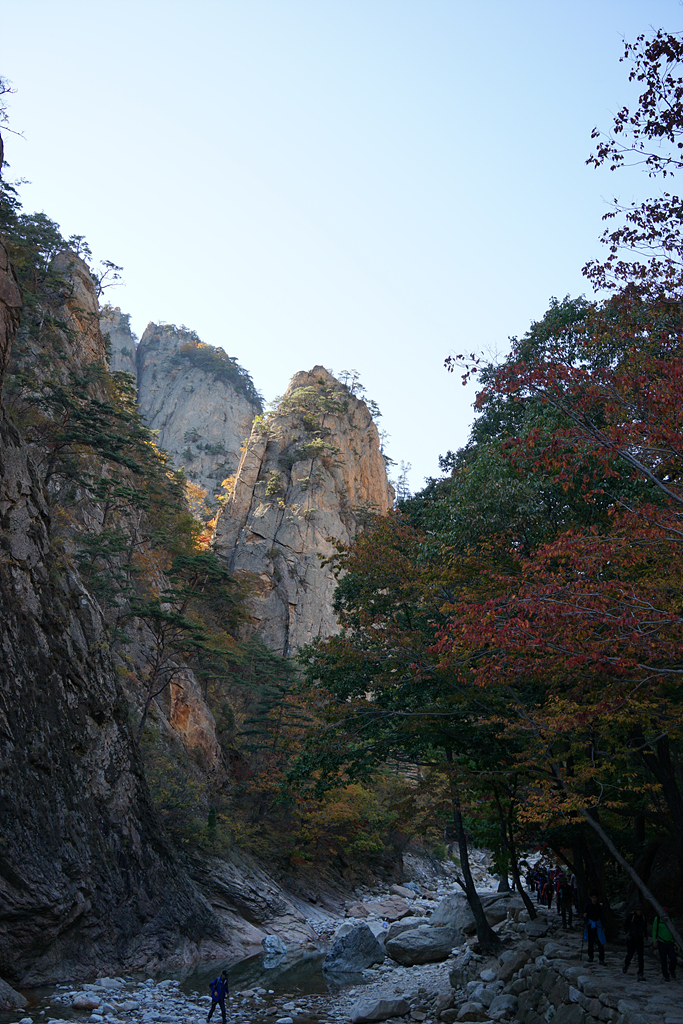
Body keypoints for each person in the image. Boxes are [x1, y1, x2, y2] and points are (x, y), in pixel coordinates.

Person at [653, 907, 677, 982]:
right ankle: (666, 975)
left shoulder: (670, 920)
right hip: (661, 942)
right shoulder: (657, 919)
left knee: (673, 959)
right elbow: (654, 930)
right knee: (663, 960)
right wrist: (654, 941)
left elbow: (674, 932)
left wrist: (676, 942)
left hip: (670, 942)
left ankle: (671, 970)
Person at [623, 904, 647, 980]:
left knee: (640, 956)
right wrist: (627, 934)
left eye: (640, 910)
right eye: (638, 910)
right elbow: (626, 926)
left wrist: (645, 935)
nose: (639, 911)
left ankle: (641, 972)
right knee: (630, 954)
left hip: (639, 938)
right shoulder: (631, 916)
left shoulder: (643, 917)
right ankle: (626, 964)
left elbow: (645, 927)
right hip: (631, 939)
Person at [583, 892, 606, 963]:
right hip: (590, 925)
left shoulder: (599, 906)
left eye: (595, 898)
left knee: (600, 942)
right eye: (593, 898)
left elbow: (602, 916)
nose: (594, 899)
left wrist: (603, 926)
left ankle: (601, 958)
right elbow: (584, 915)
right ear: (591, 898)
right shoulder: (588, 906)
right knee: (591, 942)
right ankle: (590, 956)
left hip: (597, 925)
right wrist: (584, 916)